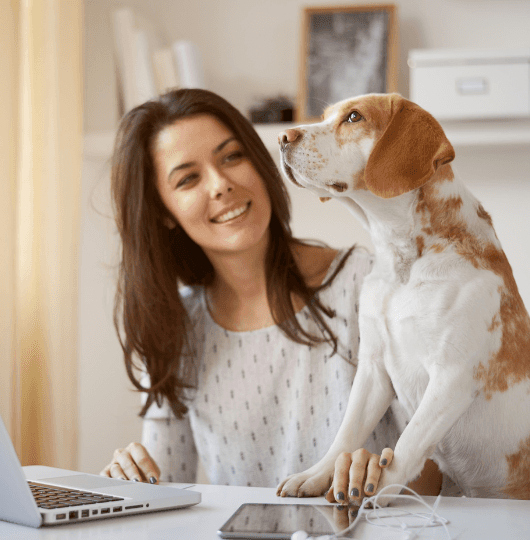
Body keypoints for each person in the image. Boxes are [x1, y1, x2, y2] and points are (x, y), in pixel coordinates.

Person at [99, 88, 444, 504]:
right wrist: (131, 482)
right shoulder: (176, 328)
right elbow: (165, 491)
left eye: (232, 157)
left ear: (261, 164)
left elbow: (442, 474)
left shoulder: (364, 284)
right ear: (163, 212)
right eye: (188, 179)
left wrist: (386, 476)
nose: (221, 185)